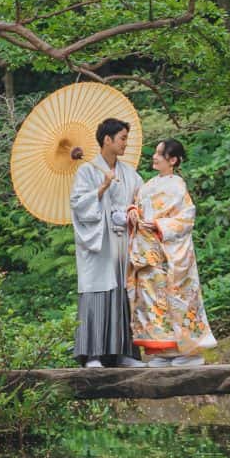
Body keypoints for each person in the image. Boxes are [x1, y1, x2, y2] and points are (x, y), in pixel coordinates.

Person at [131, 137, 217, 363]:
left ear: (173, 160)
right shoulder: (148, 185)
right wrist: (133, 212)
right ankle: (163, 351)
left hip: (171, 253)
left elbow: (186, 218)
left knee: (178, 301)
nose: (155, 157)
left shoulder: (178, 185)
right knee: (153, 302)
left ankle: (187, 352)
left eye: (160, 154)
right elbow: (138, 206)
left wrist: (160, 225)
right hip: (150, 253)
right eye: (156, 153)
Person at [68, 118, 145, 368]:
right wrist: (101, 189)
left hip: (121, 242)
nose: (125, 143)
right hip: (98, 243)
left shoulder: (129, 174)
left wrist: (130, 212)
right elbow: (79, 205)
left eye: (126, 138)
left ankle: (124, 353)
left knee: (122, 292)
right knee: (97, 291)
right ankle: (93, 355)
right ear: (107, 140)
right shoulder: (87, 171)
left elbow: (141, 200)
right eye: (122, 138)